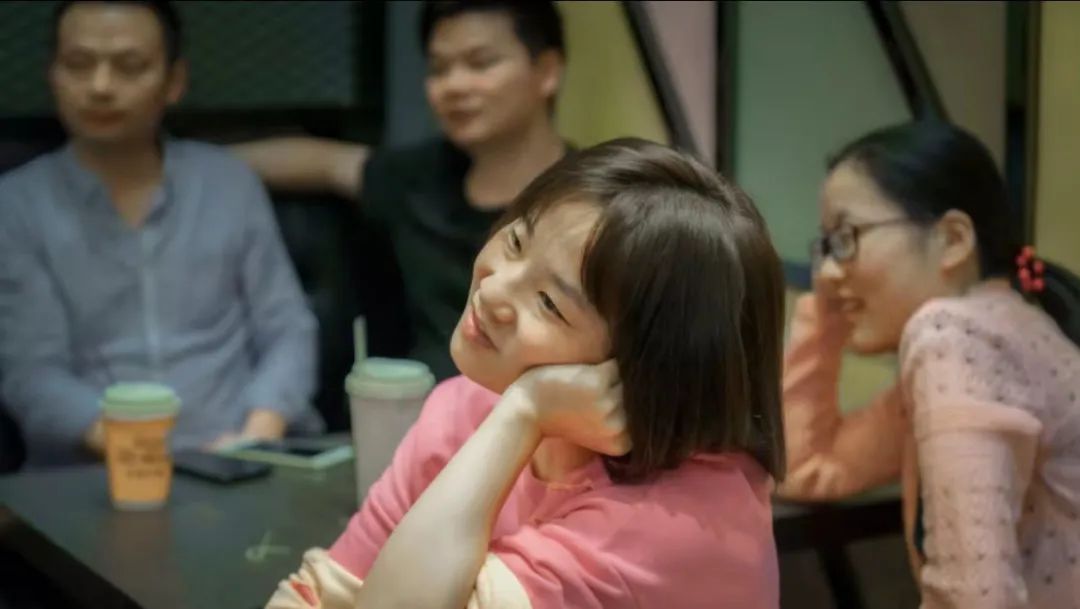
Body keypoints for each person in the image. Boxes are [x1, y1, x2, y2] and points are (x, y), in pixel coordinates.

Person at [264, 139, 786, 609]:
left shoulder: (670, 527)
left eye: (549, 303)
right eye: (515, 242)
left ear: (645, 367)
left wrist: (523, 412)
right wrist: (517, 414)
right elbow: (321, 593)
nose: (493, 290)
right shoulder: (468, 407)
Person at [0, 0, 319, 467]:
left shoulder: (229, 184)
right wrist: (148, 456)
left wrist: (256, 436)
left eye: (129, 66)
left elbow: (287, 328)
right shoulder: (15, 205)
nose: (100, 86)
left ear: (174, 81)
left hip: (241, 456)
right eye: (79, 64)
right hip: (92, 472)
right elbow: (33, 374)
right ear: (52, 74)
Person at [780, 121, 1080, 607]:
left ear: (953, 239)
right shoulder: (1000, 330)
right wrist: (826, 315)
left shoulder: (954, 335)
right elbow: (803, 467)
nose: (828, 271)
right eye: (826, 247)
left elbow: (975, 598)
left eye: (847, 238)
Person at [233, 0, 568, 381]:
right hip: (420, 403)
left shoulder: (589, 200)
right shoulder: (416, 180)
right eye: (439, 69)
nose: (454, 85)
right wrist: (189, 162)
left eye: (480, 63)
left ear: (547, 71)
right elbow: (324, 163)